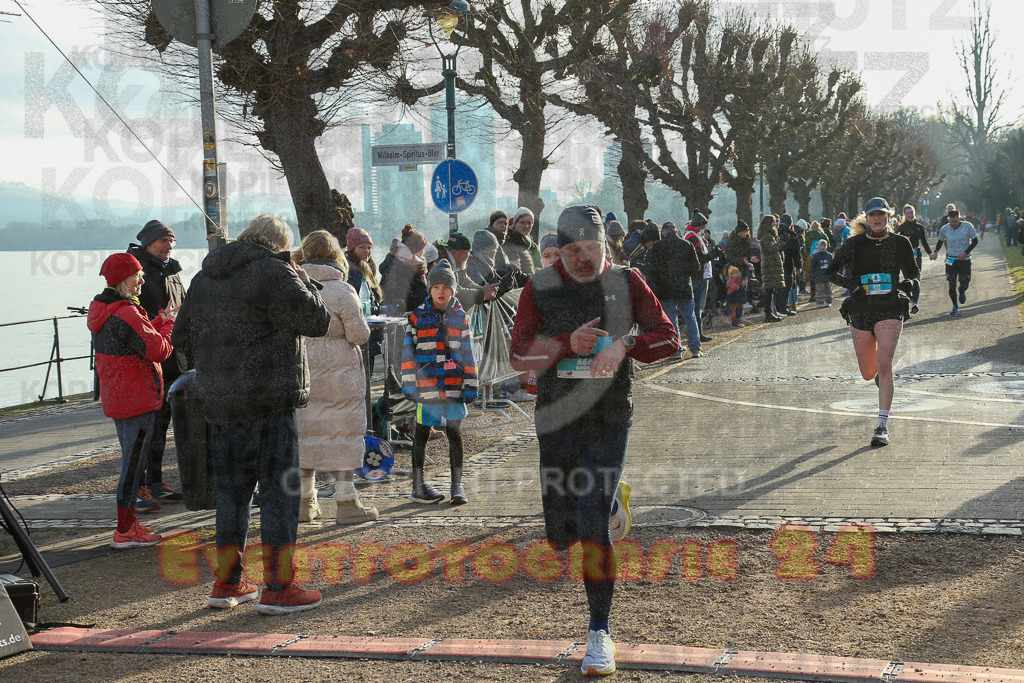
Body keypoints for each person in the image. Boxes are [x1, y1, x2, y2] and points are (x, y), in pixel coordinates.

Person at [509, 205, 678, 676]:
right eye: (572, 251)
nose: (583, 259)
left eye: (591, 248)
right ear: (558, 250)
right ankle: (610, 501)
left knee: (590, 526)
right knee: (562, 533)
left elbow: (670, 338)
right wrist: (566, 344)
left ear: (606, 245)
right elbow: (518, 354)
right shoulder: (539, 287)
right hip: (558, 419)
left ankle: (599, 633)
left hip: (609, 417)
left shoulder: (627, 281)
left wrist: (626, 344)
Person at [173, 214, 331, 614]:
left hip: (220, 403)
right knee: (279, 494)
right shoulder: (275, 272)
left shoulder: (204, 277)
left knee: (231, 494)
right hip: (269, 401)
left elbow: (181, 338)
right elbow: (317, 321)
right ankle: (279, 587)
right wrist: (305, 281)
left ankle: (227, 583)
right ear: (279, 245)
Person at [89, 253, 175, 549]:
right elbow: (158, 350)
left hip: (119, 396)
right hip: (137, 398)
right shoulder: (127, 312)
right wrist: (168, 326)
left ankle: (129, 523)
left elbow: (132, 340)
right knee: (133, 467)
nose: (142, 280)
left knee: (132, 462)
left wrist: (156, 321)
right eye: (137, 276)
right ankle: (124, 530)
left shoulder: (104, 308)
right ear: (123, 280)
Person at [292, 231, 375, 525]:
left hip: (303, 370)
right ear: (336, 256)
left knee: (307, 434)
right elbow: (359, 335)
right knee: (344, 435)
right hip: (341, 376)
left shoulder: (294, 287)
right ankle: (347, 502)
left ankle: (305, 503)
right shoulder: (342, 290)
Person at [827, 198, 918, 448]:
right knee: (869, 372)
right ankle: (878, 375)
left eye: (881, 215)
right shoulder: (854, 244)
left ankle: (882, 426)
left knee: (885, 361)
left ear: (889, 216)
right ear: (866, 218)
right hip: (861, 310)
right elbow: (829, 271)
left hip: (890, 307)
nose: (877, 219)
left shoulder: (900, 243)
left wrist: (911, 286)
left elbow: (913, 272)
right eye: (872, 215)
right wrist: (852, 285)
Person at [401, 259, 479, 504]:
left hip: (455, 385)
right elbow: (408, 353)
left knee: (455, 434)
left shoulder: (460, 317)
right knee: (422, 433)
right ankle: (418, 485)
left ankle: (457, 485)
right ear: (430, 289)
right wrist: (409, 384)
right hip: (427, 388)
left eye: (446, 287)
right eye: (436, 287)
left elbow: (468, 352)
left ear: (453, 289)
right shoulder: (417, 317)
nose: (441, 291)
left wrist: (471, 384)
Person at [126, 219, 186, 511]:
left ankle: (156, 482)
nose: (169, 246)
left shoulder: (172, 273)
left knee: (162, 427)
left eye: (172, 241)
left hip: (173, 361)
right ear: (148, 243)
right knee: (143, 431)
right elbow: (129, 318)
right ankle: (137, 487)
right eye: (163, 241)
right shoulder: (134, 273)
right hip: (145, 362)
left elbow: (183, 312)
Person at [648, 221, 705, 358]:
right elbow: (696, 267)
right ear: (676, 231)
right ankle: (695, 348)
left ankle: (676, 350)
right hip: (684, 287)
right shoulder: (686, 244)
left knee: (671, 320)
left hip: (665, 289)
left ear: (664, 232)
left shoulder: (658, 246)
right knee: (689, 317)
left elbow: (652, 269)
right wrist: (684, 274)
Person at [929, 209, 979, 315]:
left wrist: (965, 252)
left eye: (955, 222)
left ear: (960, 219)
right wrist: (935, 252)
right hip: (951, 259)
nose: (953, 224)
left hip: (964, 259)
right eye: (951, 222)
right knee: (951, 283)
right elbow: (940, 241)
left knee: (965, 282)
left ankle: (962, 290)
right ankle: (955, 306)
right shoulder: (945, 228)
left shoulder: (967, 226)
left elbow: (975, 241)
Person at [683, 213, 719, 343]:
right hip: (698, 276)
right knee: (696, 307)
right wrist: (715, 253)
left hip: (700, 275)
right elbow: (700, 258)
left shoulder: (693, 235)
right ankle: (696, 334)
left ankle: (697, 333)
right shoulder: (693, 237)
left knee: (697, 307)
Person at [380, 224, 429, 315]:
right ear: (413, 252)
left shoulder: (410, 266)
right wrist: (427, 294)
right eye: (422, 249)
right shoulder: (396, 270)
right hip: (401, 320)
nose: (423, 253)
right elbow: (404, 302)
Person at [895, 205, 932, 314]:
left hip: (916, 254)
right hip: (904, 257)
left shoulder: (919, 227)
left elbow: (924, 242)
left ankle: (915, 303)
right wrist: (904, 240)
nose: (910, 215)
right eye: (907, 213)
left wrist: (930, 253)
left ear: (914, 213)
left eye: (911, 213)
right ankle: (909, 298)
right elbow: (894, 242)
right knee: (908, 279)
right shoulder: (901, 228)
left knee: (916, 278)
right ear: (905, 215)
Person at [757, 215, 786, 322]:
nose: (775, 224)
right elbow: (771, 248)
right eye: (773, 222)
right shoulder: (766, 236)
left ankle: (770, 312)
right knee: (769, 291)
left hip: (771, 265)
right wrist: (782, 242)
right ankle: (768, 313)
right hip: (770, 265)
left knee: (771, 290)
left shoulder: (769, 235)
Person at [504, 207, 539, 276]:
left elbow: (527, 268)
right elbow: (516, 273)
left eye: (529, 223)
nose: (526, 226)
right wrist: (533, 278)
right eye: (522, 222)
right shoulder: (511, 243)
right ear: (515, 223)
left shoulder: (525, 243)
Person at [808, 239, 833, 307]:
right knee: (819, 291)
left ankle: (828, 301)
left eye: (824, 245)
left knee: (828, 290)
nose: (823, 247)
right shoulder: (816, 256)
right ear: (819, 246)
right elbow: (812, 266)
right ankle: (820, 302)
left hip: (827, 276)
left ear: (826, 246)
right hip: (819, 277)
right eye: (821, 245)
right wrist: (811, 274)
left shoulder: (829, 256)